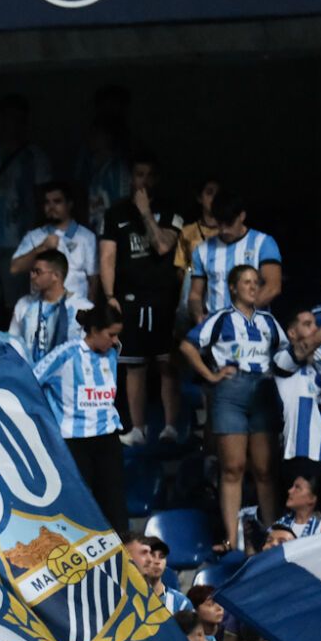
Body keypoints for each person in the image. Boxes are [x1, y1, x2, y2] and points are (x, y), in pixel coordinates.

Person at [183, 266, 286, 549]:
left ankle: (272, 533)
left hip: (264, 391)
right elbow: (188, 346)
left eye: (256, 282)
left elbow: (287, 353)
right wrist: (210, 375)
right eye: (246, 282)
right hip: (231, 391)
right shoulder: (220, 318)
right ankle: (230, 537)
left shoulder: (269, 321)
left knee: (265, 469)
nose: (253, 287)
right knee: (233, 467)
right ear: (232, 287)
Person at [99, 157, 185, 443]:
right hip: (129, 299)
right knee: (134, 364)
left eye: (149, 175)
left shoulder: (171, 210)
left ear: (156, 179)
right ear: (131, 178)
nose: (143, 181)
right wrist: (110, 296)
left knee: (166, 363)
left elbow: (162, 245)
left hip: (163, 298)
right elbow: (107, 257)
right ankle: (137, 429)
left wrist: (146, 213)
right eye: (139, 174)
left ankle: (171, 427)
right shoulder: (115, 213)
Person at [37, 302, 127, 534]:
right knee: (81, 506)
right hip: (75, 442)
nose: (115, 340)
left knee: (115, 505)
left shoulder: (113, 353)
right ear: (95, 330)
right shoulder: (65, 354)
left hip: (108, 438)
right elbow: (32, 379)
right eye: (111, 334)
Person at [187, 194, 284, 316]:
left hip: (254, 326)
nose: (224, 230)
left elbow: (273, 287)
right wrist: (200, 319)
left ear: (242, 216)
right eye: (220, 223)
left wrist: (238, 317)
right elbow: (195, 295)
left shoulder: (263, 243)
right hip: (216, 328)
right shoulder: (202, 249)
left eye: (229, 223)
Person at [8, 249, 91, 368]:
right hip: (29, 377)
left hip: (68, 379)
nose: (32, 276)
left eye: (37, 271)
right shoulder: (24, 305)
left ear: (55, 276)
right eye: (31, 271)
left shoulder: (83, 307)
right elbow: (13, 342)